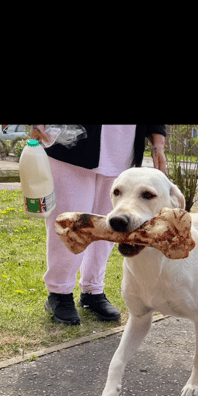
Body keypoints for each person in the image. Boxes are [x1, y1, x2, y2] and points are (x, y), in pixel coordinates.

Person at [31, 125, 167, 326]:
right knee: (70, 223)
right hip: (70, 142)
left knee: (109, 227)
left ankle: (92, 290)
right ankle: (59, 292)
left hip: (122, 150)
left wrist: (158, 145)